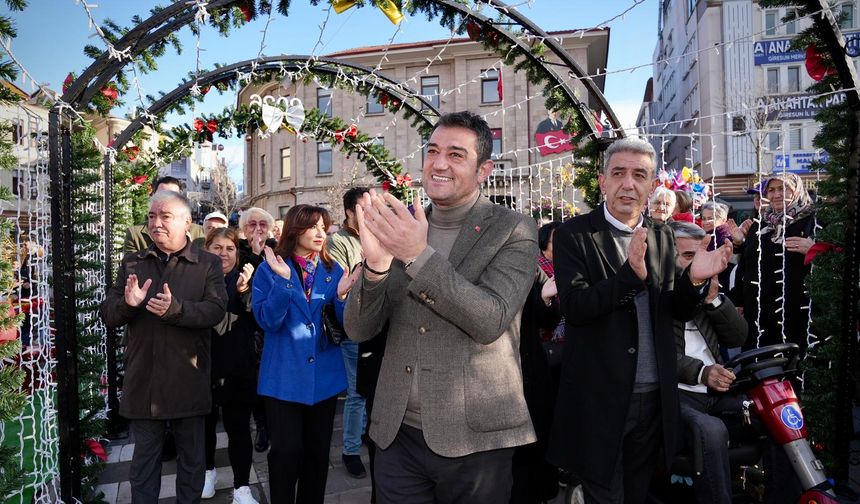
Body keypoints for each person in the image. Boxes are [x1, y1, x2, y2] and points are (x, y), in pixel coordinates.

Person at [343, 111, 538, 503]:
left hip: (476, 438)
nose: (439, 163)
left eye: (456, 154)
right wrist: (377, 267)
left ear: (484, 169)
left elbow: (490, 319)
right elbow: (358, 330)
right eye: (432, 151)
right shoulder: (404, 225)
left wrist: (417, 255)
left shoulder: (514, 229)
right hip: (396, 434)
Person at [547, 137, 733, 504]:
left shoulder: (663, 234)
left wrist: (695, 279)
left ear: (651, 185)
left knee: (639, 493)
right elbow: (576, 308)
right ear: (603, 181)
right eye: (619, 173)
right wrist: (629, 277)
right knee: (605, 495)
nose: (628, 184)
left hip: (655, 396)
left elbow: (674, 310)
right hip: (600, 398)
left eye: (639, 175)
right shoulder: (574, 235)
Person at [100, 191, 227, 504]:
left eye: (165, 217)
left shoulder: (207, 263)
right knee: (143, 465)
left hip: (189, 381)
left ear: (187, 223)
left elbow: (215, 310)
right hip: (145, 383)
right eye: (152, 217)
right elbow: (109, 314)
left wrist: (177, 310)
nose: (156, 223)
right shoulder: (133, 262)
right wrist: (128, 305)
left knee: (192, 461)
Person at [251, 204, 358, 504]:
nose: (321, 233)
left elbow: (342, 326)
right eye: (313, 227)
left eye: (324, 227)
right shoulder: (270, 269)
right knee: (286, 452)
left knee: (317, 455)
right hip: (282, 379)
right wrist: (285, 282)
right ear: (295, 230)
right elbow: (267, 321)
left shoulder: (333, 270)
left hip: (323, 380)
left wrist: (341, 297)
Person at [671, 221, 748, 504]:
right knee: (712, 430)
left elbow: (738, 335)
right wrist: (702, 373)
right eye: (689, 257)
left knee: (772, 413)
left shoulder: (706, 289)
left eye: (700, 255)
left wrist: (715, 301)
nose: (698, 263)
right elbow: (660, 356)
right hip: (677, 396)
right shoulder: (658, 294)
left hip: (716, 393)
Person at [200, 228, 259, 504]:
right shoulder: (196, 279)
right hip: (203, 365)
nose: (224, 253)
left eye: (230, 248)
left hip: (238, 366)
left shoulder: (246, 280)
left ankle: (242, 487)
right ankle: (208, 472)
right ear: (206, 249)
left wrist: (245, 292)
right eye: (217, 247)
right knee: (204, 426)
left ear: (237, 252)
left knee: (238, 428)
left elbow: (259, 318)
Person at [736, 173, 816, 354]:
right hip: (759, 312)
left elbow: (835, 263)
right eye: (771, 190)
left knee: (795, 367)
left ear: (796, 190)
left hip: (797, 311)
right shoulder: (760, 224)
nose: (776, 194)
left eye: (783, 188)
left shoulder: (814, 221)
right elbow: (746, 265)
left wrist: (814, 251)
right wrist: (739, 300)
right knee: (760, 367)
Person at [327, 187, 370, 479]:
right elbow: (340, 287)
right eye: (363, 209)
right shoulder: (338, 241)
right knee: (356, 393)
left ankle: (366, 432)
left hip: (379, 325)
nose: (369, 213)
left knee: (374, 388)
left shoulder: (378, 235)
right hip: (353, 325)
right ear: (349, 213)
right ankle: (351, 450)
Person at [236, 206, 277, 452]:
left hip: (273, 325)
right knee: (255, 379)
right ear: (243, 230)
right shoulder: (237, 252)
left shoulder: (279, 251)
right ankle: (261, 424)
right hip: (248, 327)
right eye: (252, 224)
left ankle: (274, 421)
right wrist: (254, 253)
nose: (258, 229)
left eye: (263, 224)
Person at [123, 176, 206, 254]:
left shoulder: (197, 232)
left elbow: (202, 263)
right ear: (153, 195)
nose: (166, 199)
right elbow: (131, 266)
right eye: (161, 194)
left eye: (172, 195)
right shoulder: (135, 234)